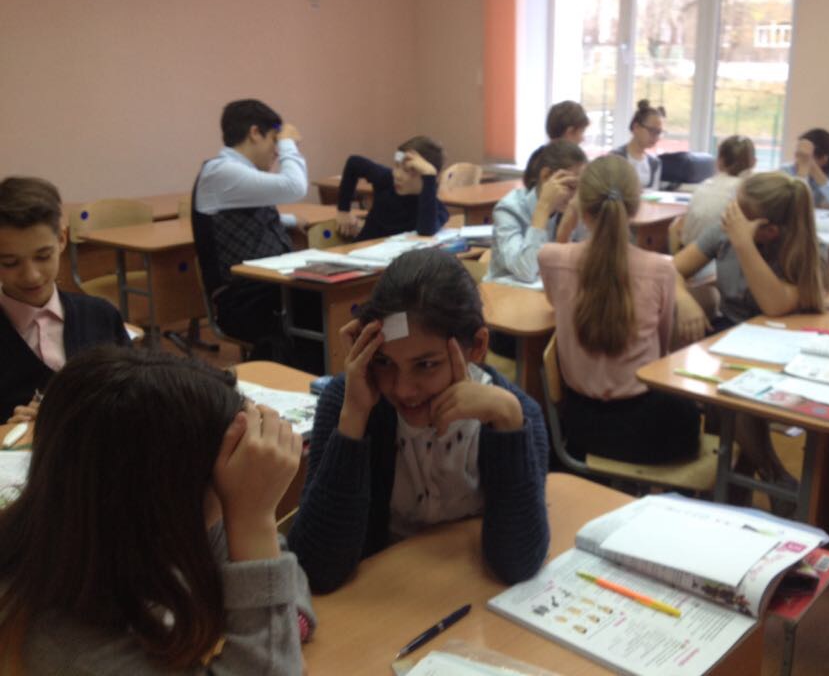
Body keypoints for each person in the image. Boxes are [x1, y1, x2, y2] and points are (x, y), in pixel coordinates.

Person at [0, 347, 314, 673]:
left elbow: (276, 567)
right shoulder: (66, 646)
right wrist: (253, 522)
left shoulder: (138, 527)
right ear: (166, 498)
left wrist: (279, 626)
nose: (233, 497)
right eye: (225, 479)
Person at [288, 249, 550, 594]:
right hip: (381, 598)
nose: (403, 389)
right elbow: (316, 568)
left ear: (477, 346)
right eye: (384, 362)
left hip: (466, 594)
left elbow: (517, 564)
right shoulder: (348, 403)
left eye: (426, 365)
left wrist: (509, 424)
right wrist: (353, 421)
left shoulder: (514, 414)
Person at [673, 172, 829, 504]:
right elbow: (672, 270)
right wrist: (684, 299)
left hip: (783, 348)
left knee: (736, 398)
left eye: (740, 212)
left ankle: (759, 483)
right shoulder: (725, 231)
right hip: (730, 337)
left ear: (770, 230)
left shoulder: (807, 250)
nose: (729, 215)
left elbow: (775, 305)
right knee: (727, 392)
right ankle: (767, 483)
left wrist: (744, 244)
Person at [538, 155, 701, 464]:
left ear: (582, 207)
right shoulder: (660, 269)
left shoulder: (551, 258)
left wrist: (567, 224)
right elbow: (662, 349)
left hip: (579, 426)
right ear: (635, 208)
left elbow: (553, 297)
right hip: (647, 431)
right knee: (691, 411)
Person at [192, 99, 313, 365]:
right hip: (240, 301)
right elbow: (295, 187)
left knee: (325, 301)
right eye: (274, 141)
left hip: (267, 289)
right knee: (318, 310)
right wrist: (289, 143)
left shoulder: (236, 172)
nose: (277, 152)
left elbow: (243, 214)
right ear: (255, 133)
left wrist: (289, 220)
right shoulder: (221, 171)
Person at [0, 176, 128, 424]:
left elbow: (136, 395)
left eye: (43, 256)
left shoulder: (101, 315)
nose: (32, 275)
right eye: (10, 263)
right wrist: (6, 430)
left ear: (61, 239)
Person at [485, 140, 587, 285]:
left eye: (580, 188)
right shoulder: (509, 209)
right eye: (570, 187)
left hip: (548, 290)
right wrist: (543, 207)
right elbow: (526, 270)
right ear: (545, 176)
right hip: (505, 292)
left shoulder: (571, 206)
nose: (575, 196)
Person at [335, 136, 449, 241]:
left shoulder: (437, 209)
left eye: (408, 170)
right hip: (361, 250)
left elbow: (426, 231)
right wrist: (343, 210)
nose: (397, 175)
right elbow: (354, 162)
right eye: (396, 166)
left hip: (397, 255)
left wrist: (429, 175)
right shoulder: (387, 179)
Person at [674, 135, 757, 250]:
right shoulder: (748, 191)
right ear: (753, 162)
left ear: (719, 162)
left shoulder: (704, 185)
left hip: (686, 251)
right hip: (719, 256)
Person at [522, 100, 590, 191]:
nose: (582, 139)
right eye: (581, 132)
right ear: (569, 132)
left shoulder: (536, 156)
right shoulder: (572, 165)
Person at [783, 128, 829, 212]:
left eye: (804, 155)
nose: (798, 159)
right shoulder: (785, 171)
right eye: (798, 153)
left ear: (824, 159)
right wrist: (802, 174)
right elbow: (793, 207)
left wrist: (814, 171)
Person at [611, 99, 666, 189]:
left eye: (659, 132)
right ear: (636, 127)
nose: (656, 137)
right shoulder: (615, 158)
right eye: (652, 130)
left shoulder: (655, 163)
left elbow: (653, 193)